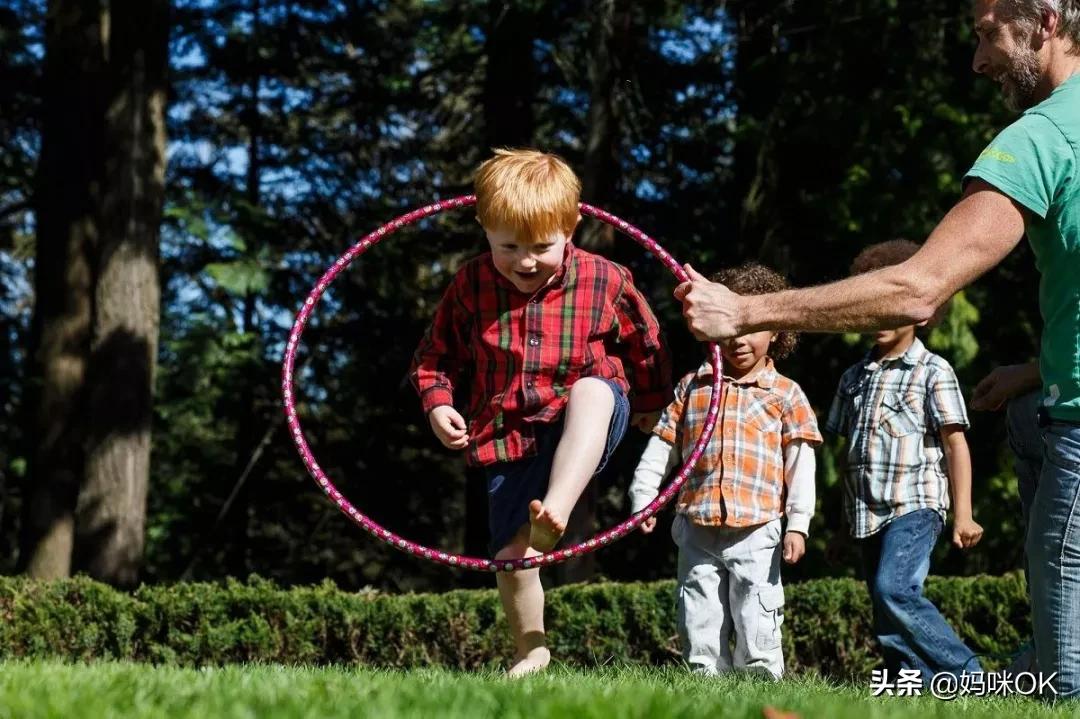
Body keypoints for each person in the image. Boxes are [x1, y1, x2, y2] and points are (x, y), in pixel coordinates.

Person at [675, 0, 1080, 697]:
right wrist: (1034, 369)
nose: (978, 60)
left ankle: (986, 684)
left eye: (987, 35)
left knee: (1062, 682)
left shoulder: (1042, 135)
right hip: (1052, 400)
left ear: (1044, 20)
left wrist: (746, 310)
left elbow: (918, 289)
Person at [410, 148, 672, 676]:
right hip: (507, 433)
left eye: (542, 246)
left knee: (592, 391)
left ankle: (556, 505)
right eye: (508, 246)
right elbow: (434, 357)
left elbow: (647, 344)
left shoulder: (606, 278)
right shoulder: (470, 285)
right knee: (511, 558)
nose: (525, 261)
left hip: (589, 421)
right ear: (483, 225)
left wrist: (649, 403)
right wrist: (439, 405)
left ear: (572, 226)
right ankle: (531, 649)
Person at [629, 263, 820, 679]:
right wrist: (644, 498)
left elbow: (801, 461)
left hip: (758, 527)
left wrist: (798, 523)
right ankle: (704, 679)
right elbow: (662, 445)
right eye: (731, 327)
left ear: (776, 331)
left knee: (757, 609)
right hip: (698, 525)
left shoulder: (786, 395)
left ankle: (762, 679)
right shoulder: (693, 388)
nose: (739, 340)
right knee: (698, 609)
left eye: (752, 326)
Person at [827, 240, 984, 683]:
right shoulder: (853, 378)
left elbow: (956, 445)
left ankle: (969, 673)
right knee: (885, 610)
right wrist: (841, 528)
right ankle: (910, 683)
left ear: (921, 311)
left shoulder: (933, 371)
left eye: (890, 306)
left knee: (894, 589)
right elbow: (848, 457)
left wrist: (964, 514)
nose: (879, 318)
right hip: (865, 511)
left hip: (915, 503)